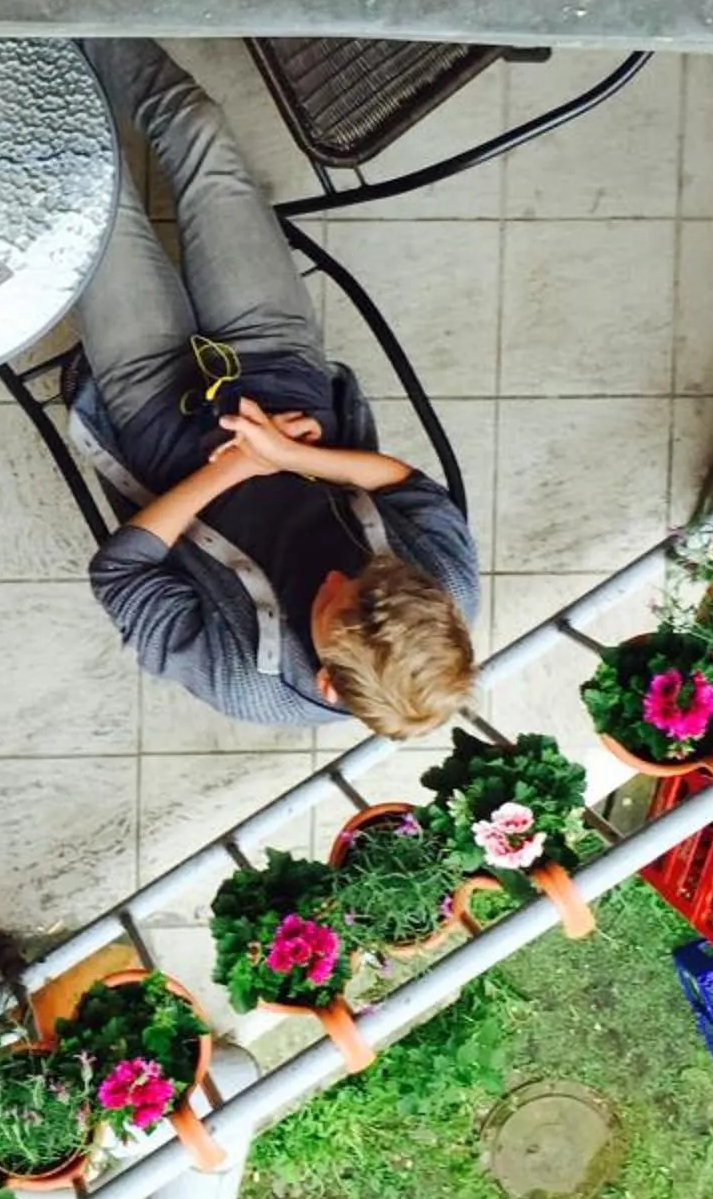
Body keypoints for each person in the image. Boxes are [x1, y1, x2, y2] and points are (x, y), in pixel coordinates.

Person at [74, 38, 481, 739]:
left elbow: (120, 574)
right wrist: (296, 458)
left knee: (90, 193)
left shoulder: (246, 682)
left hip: (158, 427)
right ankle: (76, 17)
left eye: (331, 602)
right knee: (198, 125)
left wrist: (235, 467)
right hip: (281, 379)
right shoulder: (440, 592)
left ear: (326, 679)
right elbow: (407, 485)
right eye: (360, 570)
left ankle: (38, 76)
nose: (333, 576)